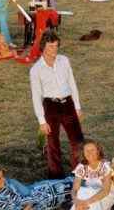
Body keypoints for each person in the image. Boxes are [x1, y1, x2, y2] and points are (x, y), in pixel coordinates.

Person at [30, 31, 84, 179]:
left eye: (56, 46)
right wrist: (42, 121)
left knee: (78, 141)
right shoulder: (36, 70)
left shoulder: (64, 60)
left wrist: (77, 106)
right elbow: (36, 96)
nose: (54, 49)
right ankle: (55, 177)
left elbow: (72, 83)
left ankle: (78, 175)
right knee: (53, 144)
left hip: (68, 104)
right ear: (43, 47)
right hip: (50, 106)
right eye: (51, 46)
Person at [61, 139, 114, 210]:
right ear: (83, 153)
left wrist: (86, 202)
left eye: (92, 150)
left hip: (107, 194)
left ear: (98, 151)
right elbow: (75, 189)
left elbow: (105, 190)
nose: (89, 153)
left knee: (88, 195)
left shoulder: (105, 166)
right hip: (88, 194)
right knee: (82, 192)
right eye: (86, 151)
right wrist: (77, 201)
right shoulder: (81, 167)